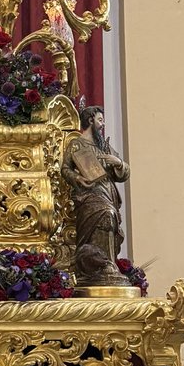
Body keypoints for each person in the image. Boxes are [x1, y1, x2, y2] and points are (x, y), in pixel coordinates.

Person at [61, 105, 130, 285]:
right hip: (88, 194)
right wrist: (77, 177)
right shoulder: (77, 144)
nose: (103, 124)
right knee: (106, 214)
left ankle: (109, 265)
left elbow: (124, 173)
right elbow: (65, 169)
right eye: (100, 120)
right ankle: (96, 267)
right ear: (90, 120)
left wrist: (118, 163)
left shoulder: (104, 146)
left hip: (107, 192)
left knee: (111, 219)